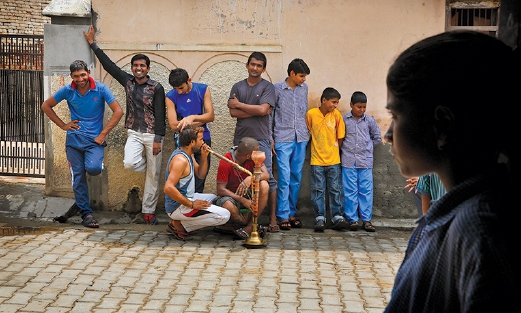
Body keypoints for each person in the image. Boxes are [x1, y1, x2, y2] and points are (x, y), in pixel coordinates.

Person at [383, 30, 520, 312]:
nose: (387, 134)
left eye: (396, 116)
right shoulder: (457, 217)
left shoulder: (479, 230)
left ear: (442, 124)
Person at [84, 25, 166, 225]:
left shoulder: (156, 87)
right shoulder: (127, 82)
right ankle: (150, 168)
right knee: (130, 162)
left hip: (152, 134)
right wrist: (92, 44)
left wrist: (158, 139)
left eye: (142, 66)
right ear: (132, 68)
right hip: (134, 133)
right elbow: (109, 65)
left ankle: (148, 212)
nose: (139, 68)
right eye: (135, 65)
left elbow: (161, 114)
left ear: (148, 68)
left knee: (153, 178)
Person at [41, 60, 123, 228]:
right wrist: (63, 125)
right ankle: (86, 214)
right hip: (74, 141)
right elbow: (46, 105)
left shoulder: (100, 89)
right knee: (78, 178)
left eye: (83, 75)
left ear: (88, 73)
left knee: (93, 169)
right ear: (71, 76)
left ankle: (91, 168)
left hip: (95, 141)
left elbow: (118, 111)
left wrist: (103, 134)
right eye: (76, 76)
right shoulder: (67, 90)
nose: (80, 79)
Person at [227, 51, 278, 232]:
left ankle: (272, 219)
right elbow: (233, 114)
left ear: (263, 69)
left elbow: (264, 110)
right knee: (239, 177)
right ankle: (241, 218)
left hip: (261, 140)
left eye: (259, 65)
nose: (255, 68)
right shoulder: (238, 86)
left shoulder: (268, 87)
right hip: (240, 139)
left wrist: (240, 105)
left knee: (267, 179)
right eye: (252, 64)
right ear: (247, 65)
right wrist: (256, 110)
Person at [164, 126, 230, 241]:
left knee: (215, 199)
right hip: (177, 206)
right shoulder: (180, 160)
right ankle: (179, 225)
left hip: (188, 198)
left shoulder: (189, 154)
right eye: (201, 140)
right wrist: (192, 204)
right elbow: (168, 188)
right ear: (192, 142)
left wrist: (204, 157)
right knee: (224, 215)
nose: (203, 142)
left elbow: (200, 175)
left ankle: (181, 222)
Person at [272, 58, 311, 232]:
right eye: (301, 76)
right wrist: (271, 138)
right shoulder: (277, 89)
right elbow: (270, 115)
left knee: (296, 176)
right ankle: (282, 214)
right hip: (282, 136)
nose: (304, 79)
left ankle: (291, 213)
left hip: (301, 137)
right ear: (292, 73)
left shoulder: (304, 89)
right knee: (284, 176)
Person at [166, 68, 215, 193]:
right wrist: (200, 121)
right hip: (183, 140)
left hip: (202, 138)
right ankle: (185, 205)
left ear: (189, 80)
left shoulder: (203, 89)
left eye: (181, 88)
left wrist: (191, 118)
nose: (179, 91)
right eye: (176, 88)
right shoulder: (170, 96)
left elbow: (210, 116)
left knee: (202, 174)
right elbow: (173, 125)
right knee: (183, 173)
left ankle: (197, 204)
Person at [305, 87, 346, 232]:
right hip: (316, 160)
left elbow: (340, 137)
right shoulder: (311, 114)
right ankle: (319, 218)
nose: (335, 105)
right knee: (318, 190)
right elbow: (309, 133)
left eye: (337, 103)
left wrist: (333, 150)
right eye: (333, 102)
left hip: (334, 160)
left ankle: (337, 217)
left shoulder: (336, 115)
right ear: (324, 100)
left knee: (336, 189)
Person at [212, 137, 270, 239]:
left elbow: (266, 175)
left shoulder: (254, 158)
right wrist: (242, 200)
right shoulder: (226, 161)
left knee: (264, 185)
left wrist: (251, 177)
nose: (259, 153)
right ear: (248, 156)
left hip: (247, 193)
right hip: (230, 196)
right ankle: (250, 226)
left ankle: (248, 227)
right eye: (256, 151)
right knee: (227, 205)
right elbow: (220, 190)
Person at [341, 91, 382, 232]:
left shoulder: (369, 121)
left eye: (364, 107)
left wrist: (368, 148)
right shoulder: (344, 120)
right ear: (351, 105)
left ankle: (366, 220)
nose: (362, 110)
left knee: (365, 191)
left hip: (365, 161)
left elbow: (377, 137)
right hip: (348, 160)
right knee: (350, 190)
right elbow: (339, 137)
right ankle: (352, 220)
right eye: (359, 107)